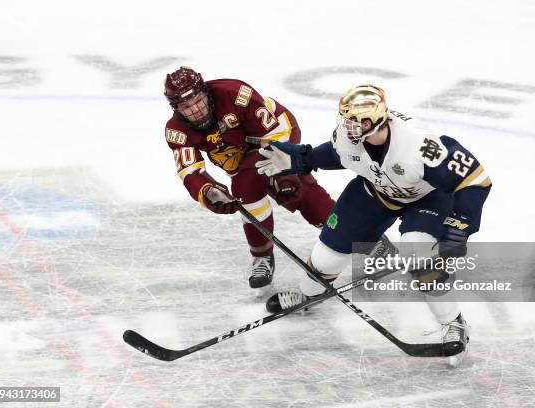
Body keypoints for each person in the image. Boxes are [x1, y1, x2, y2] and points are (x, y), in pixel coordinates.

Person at [255, 84, 492, 366]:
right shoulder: (348, 136)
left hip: (427, 197)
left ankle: (453, 323)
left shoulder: (419, 145)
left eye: (356, 122)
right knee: (327, 256)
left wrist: (461, 225)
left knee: (419, 253)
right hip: (376, 191)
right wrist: (299, 158)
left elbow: (476, 179)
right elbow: (335, 154)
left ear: (376, 120)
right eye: (346, 120)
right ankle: (309, 295)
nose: (349, 127)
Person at [163, 66, 335, 295]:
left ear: (205, 91)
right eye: (186, 106)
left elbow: (272, 135)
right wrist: (209, 192)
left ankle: (349, 233)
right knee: (246, 188)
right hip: (240, 158)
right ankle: (264, 256)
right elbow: (190, 172)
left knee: (292, 187)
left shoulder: (236, 93)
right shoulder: (176, 131)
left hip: (275, 136)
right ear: (176, 108)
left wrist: (284, 174)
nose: (196, 110)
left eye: (198, 100)